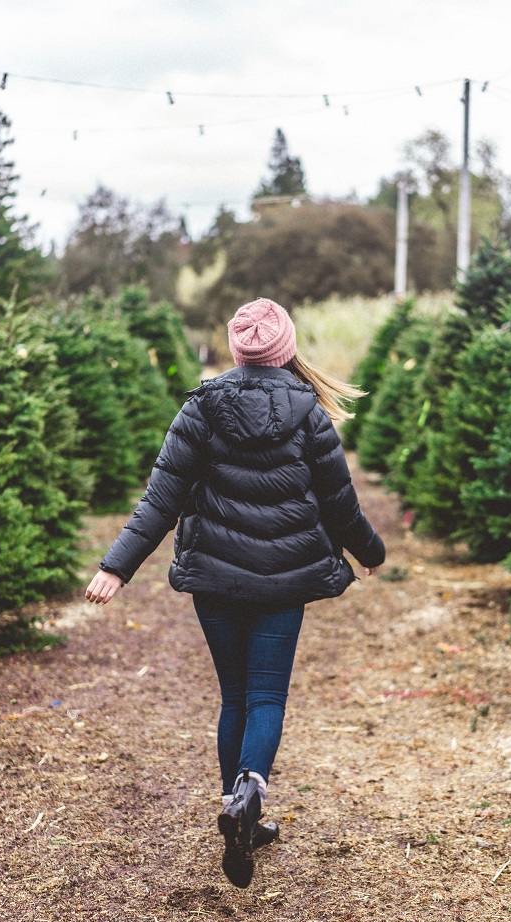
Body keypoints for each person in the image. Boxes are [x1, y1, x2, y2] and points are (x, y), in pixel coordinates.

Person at [85, 297, 385, 888]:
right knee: (267, 695)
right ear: (286, 348)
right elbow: (340, 504)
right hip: (285, 580)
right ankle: (250, 795)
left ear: (236, 346)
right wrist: (370, 553)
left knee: (234, 696)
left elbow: (161, 500)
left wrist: (116, 568)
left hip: (217, 579)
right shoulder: (309, 412)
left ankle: (233, 804)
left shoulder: (200, 408)